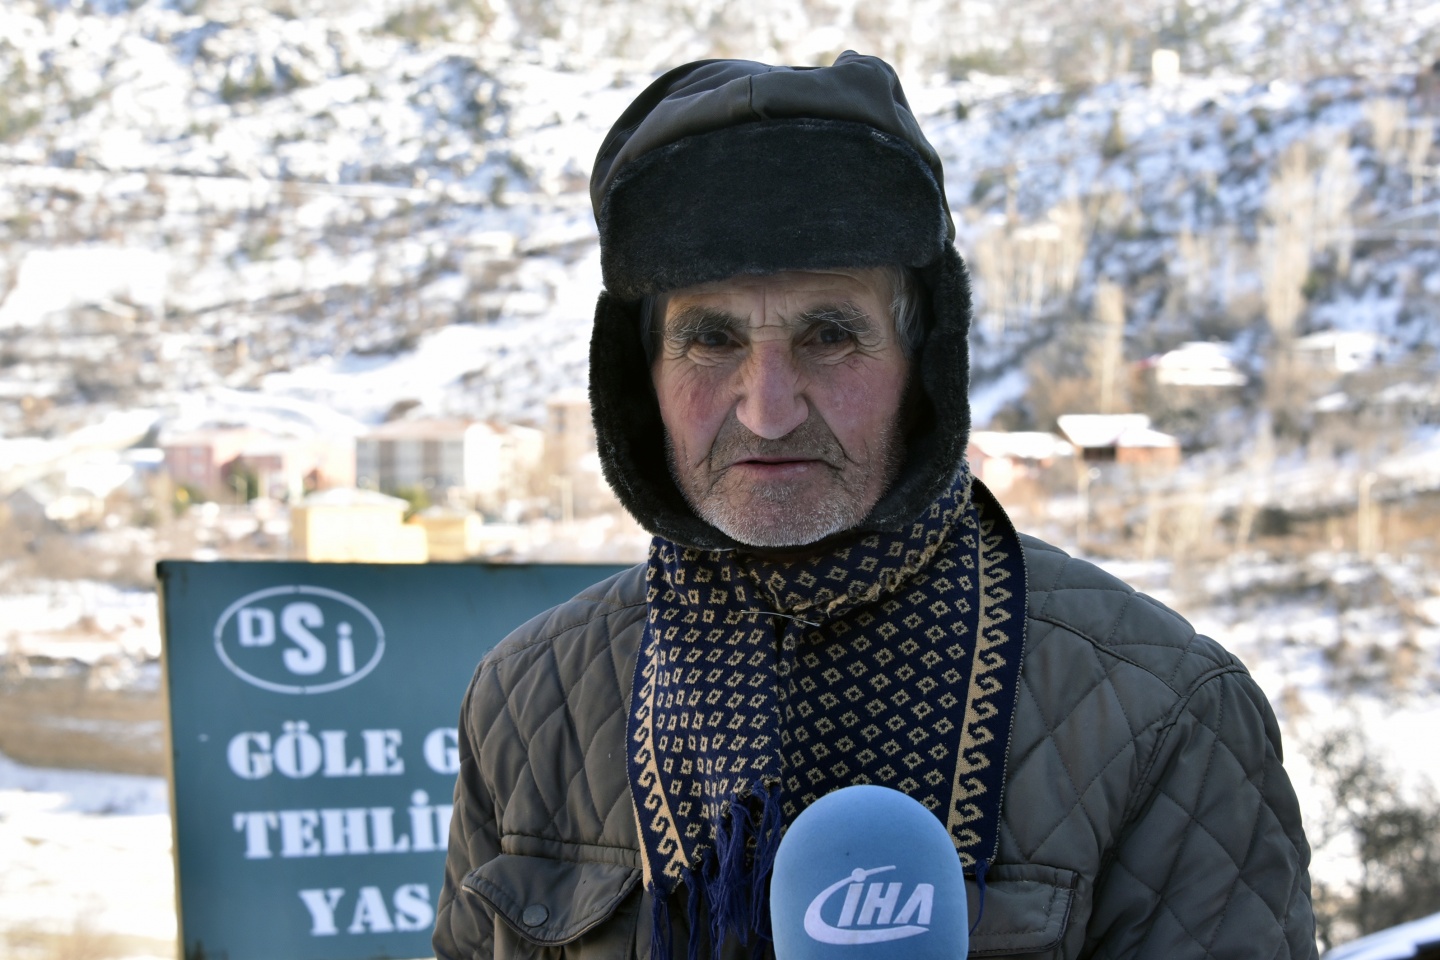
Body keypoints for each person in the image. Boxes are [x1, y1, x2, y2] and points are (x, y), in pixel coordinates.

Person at [433, 51, 1317, 960]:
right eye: (709, 337)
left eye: (831, 334)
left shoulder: (1161, 715)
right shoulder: (527, 702)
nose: (768, 408)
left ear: (925, 362)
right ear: (638, 378)